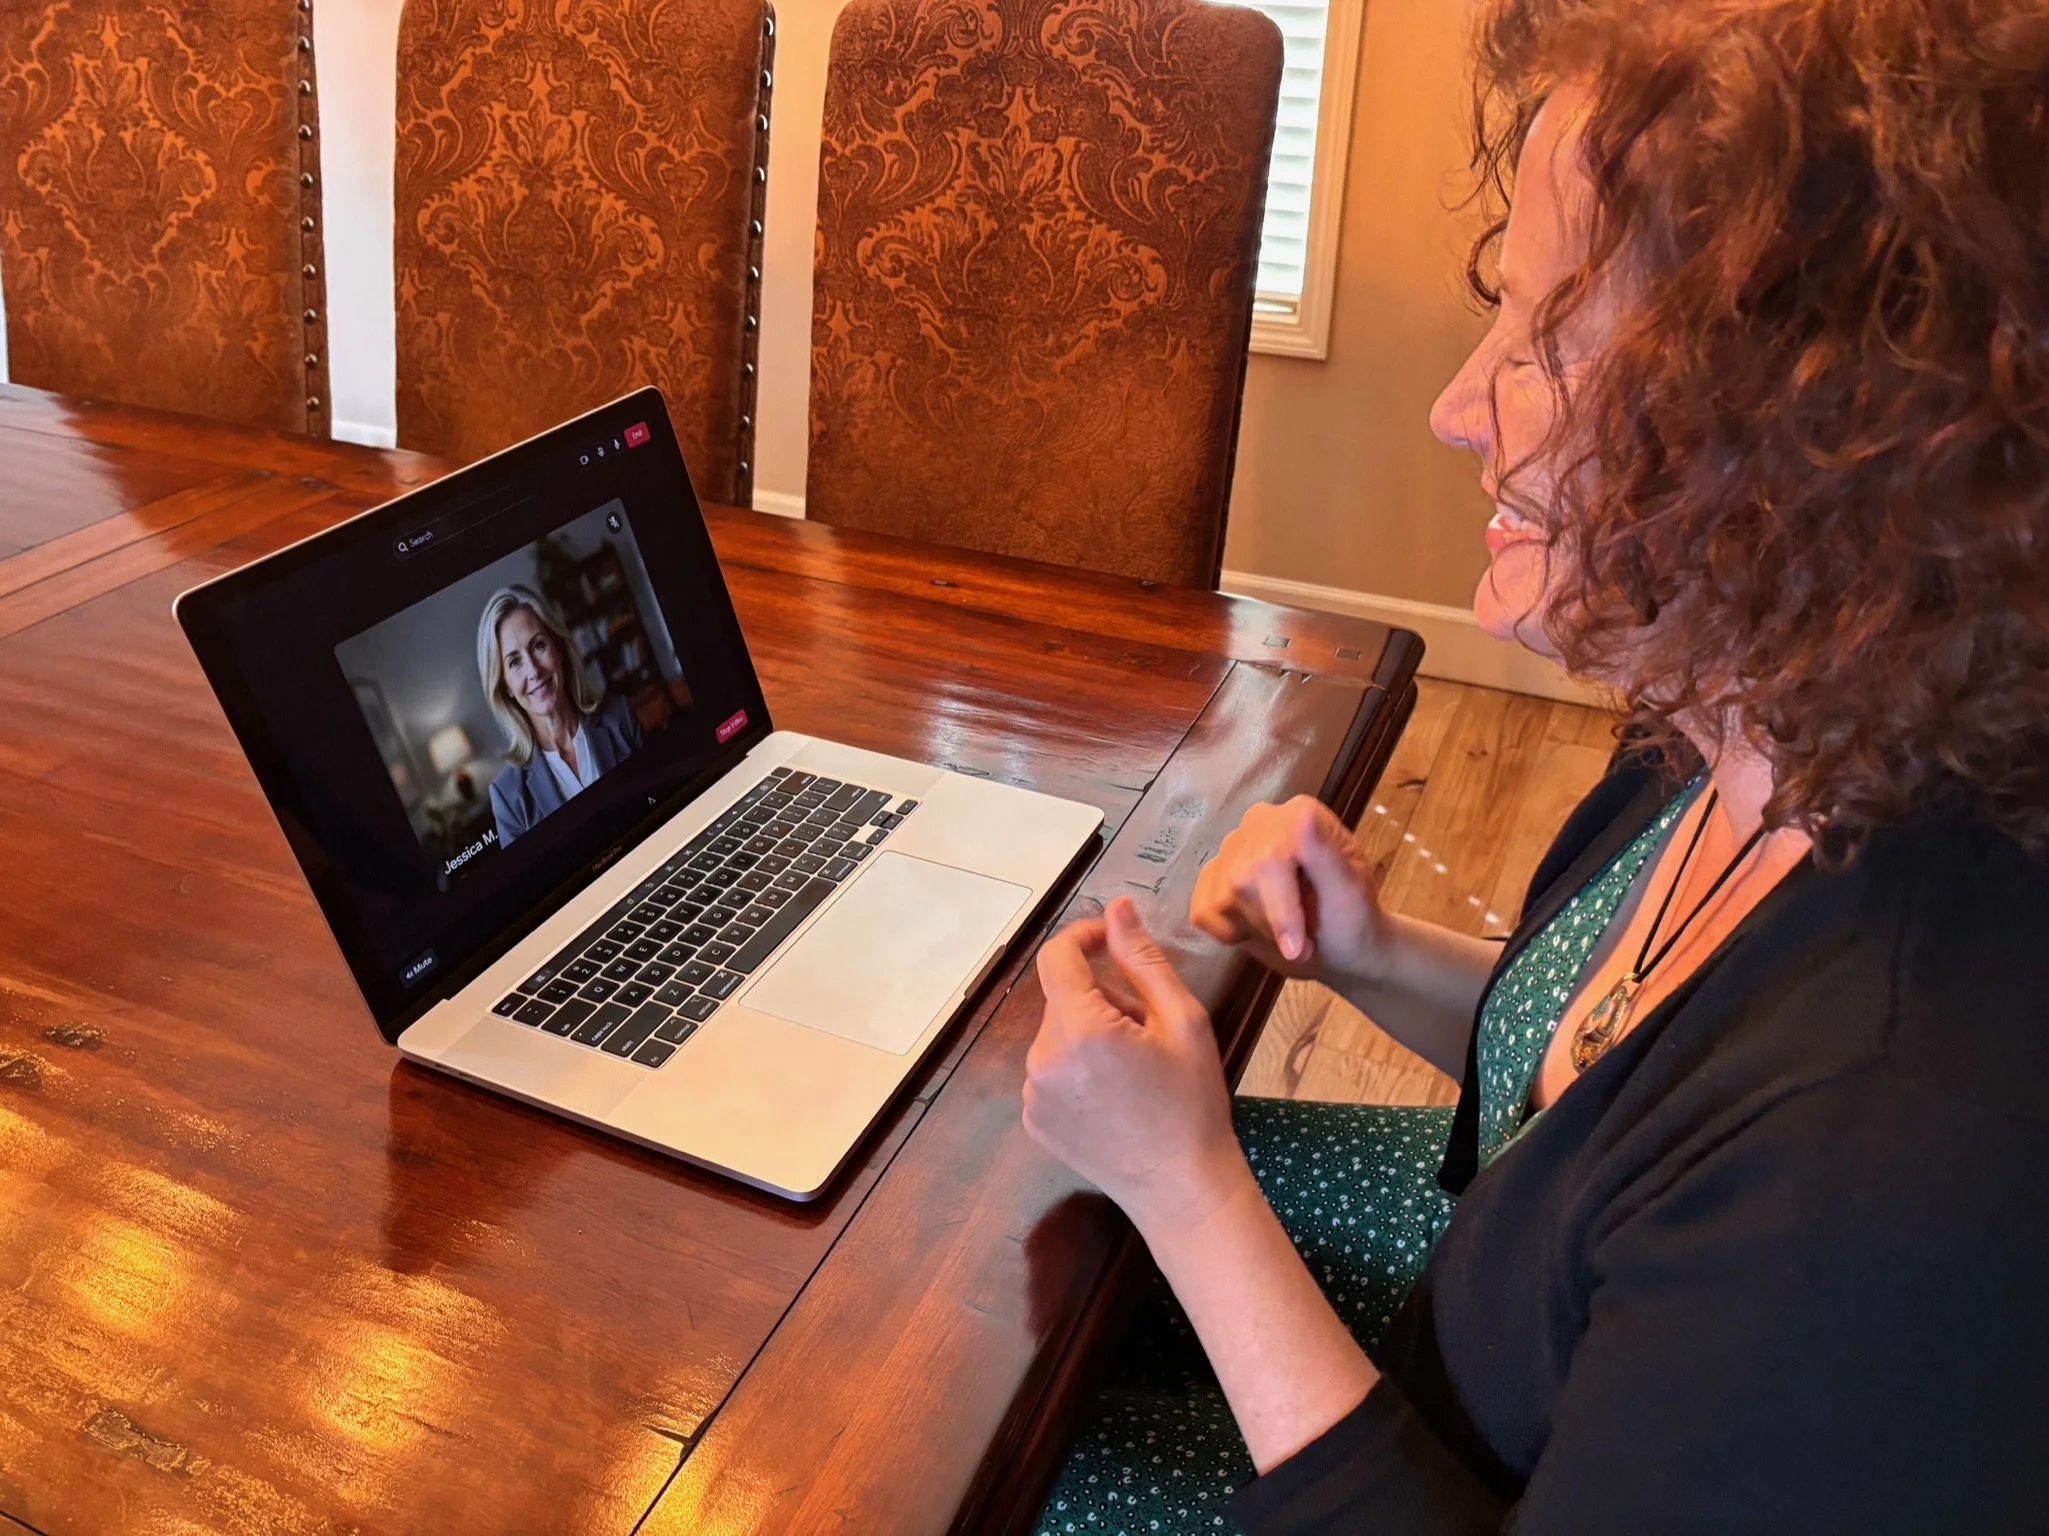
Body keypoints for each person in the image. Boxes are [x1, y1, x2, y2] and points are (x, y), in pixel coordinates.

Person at [1025, 0, 2049, 1530]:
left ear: (1832, 439)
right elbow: (1615, 1069)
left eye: (1549, 343)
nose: (1456, 408)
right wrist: (1369, 954)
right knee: (1020, 1247)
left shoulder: (1883, 1171)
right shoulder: (1768, 716)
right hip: (1487, 1327)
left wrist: (1187, 1185)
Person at [477, 584, 643, 847]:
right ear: (505, 686)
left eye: (538, 646)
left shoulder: (620, 718)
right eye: (514, 662)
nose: (533, 670)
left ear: (559, 649)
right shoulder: (507, 796)